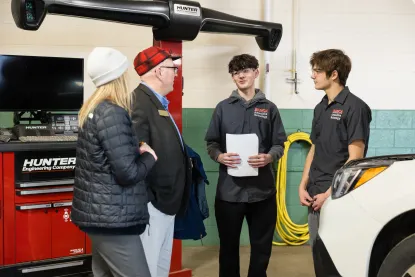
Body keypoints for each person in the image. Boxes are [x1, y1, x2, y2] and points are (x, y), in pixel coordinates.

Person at [71, 47, 158, 277]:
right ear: (117, 76)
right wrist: (149, 156)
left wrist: (132, 148)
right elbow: (127, 173)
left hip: (100, 216)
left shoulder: (93, 109)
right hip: (113, 220)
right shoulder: (112, 112)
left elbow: (107, 158)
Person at [205, 53, 287, 277]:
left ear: (256, 73)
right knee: (228, 248)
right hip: (229, 193)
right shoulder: (222, 108)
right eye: (235, 72)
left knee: (261, 248)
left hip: (262, 192)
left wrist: (269, 157)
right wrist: (219, 156)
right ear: (232, 77)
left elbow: (279, 143)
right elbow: (211, 143)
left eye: (245, 70)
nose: (240, 75)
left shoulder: (269, 108)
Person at [297, 49, 371, 275]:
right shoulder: (320, 108)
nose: (312, 75)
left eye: (318, 71)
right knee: (318, 255)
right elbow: (315, 148)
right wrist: (302, 185)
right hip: (314, 193)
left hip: (338, 196)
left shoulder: (355, 107)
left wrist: (329, 193)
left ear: (334, 74)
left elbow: (355, 158)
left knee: (338, 259)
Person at [131, 46, 192, 277]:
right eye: (172, 69)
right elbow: (136, 156)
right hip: (152, 205)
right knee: (148, 269)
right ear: (158, 72)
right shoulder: (139, 103)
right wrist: (149, 200)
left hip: (165, 204)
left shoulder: (158, 104)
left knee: (159, 269)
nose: (177, 74)